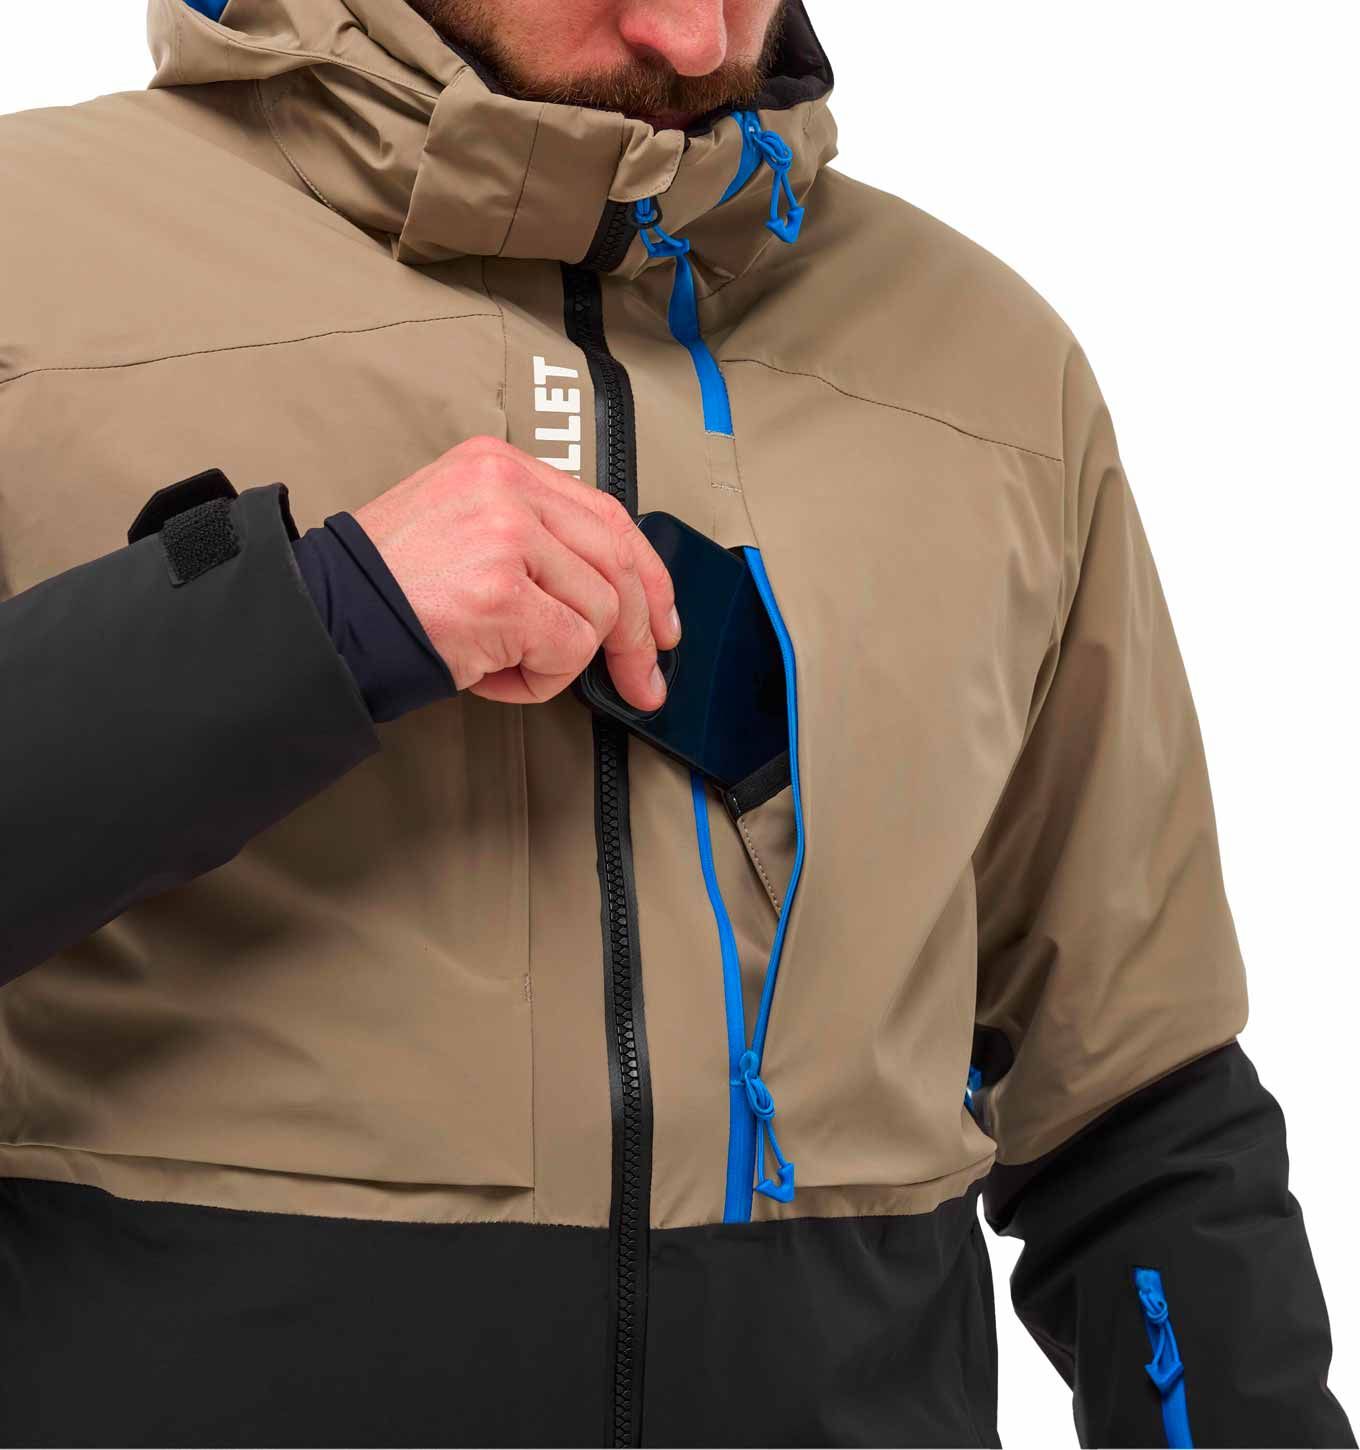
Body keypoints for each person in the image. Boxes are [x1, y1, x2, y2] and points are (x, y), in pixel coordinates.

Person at [0, 1, 1350, 1446]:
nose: (697, 38)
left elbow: (1135, 1109)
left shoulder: (996, 377)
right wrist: (318, 619)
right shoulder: (35, 264)